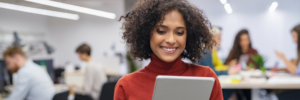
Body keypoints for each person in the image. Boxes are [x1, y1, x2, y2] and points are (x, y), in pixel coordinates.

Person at [114, 0, 223, 100]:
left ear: (188, 36)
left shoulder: (206, 77)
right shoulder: (126, 85)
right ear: (146, 33)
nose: (171, 40)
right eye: (161, 31)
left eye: (179, 32)